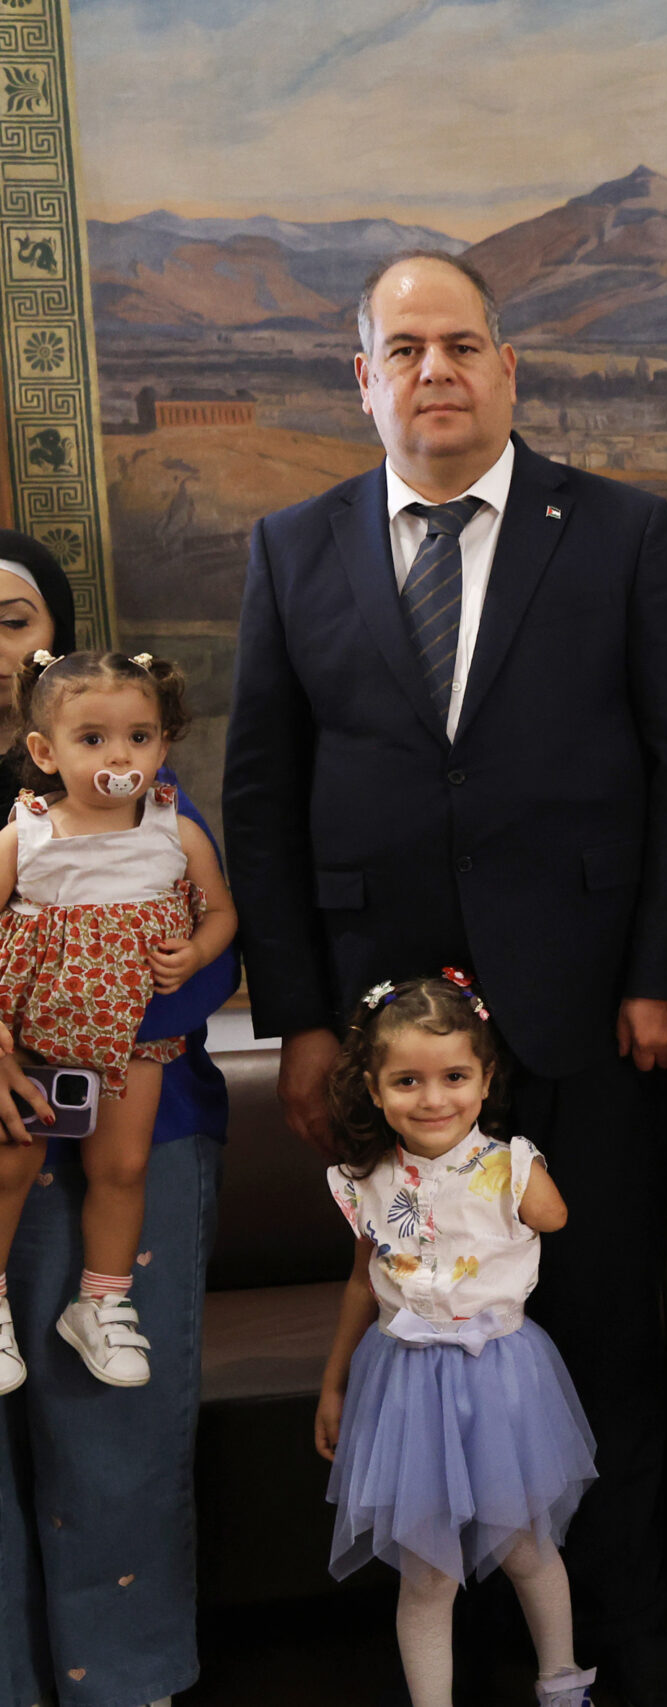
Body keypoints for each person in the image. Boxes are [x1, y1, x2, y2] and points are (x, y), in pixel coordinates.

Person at [224, 251, 667, 1705]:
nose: (434, 371)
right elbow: (260, 792)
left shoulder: (618, 528)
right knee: (423, 1340)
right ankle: (464, 1643)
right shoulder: (293, 546)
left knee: (603, 1330)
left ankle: (623, 1631)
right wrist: (300, 1018)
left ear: (509, 368)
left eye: (460, 345)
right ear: (363, 378)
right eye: (405, 349)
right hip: (389, 1047)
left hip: (594, 1013)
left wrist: (665, 969)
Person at [0, 533, 238, 1707]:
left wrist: (93, 1026)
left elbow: (204, 950)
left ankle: (126, 1685)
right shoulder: (22, 829)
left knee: (112, 1423)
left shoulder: (150, 800)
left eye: (13, 620)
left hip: (139, 1120)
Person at [316, 973, 597, 1707]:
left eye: (454, 1077)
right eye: (407, 1081)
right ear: (375, 1089)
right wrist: (334, 1382)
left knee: (527, 1546)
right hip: (405, 1384)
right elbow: (361, 1284)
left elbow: (555, 1217)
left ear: (486, 1079)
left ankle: (562, 1682)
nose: (433, 1099)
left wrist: (521, 1166)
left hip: (500, 1376)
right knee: (427, 1573)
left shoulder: (510, 1166)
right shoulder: (368, 1180)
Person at [0, 651, 234, 1388]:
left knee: (124, 1166)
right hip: (35, 1037)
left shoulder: (174, 828)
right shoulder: (26, 832)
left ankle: (101, 1301)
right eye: (93, 739)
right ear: (46, 752)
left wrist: (196, 951)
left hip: (134, 1035)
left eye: (139, 737)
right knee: (11, 1162)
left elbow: (221, 912)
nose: (120, 756)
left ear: (163, 744)